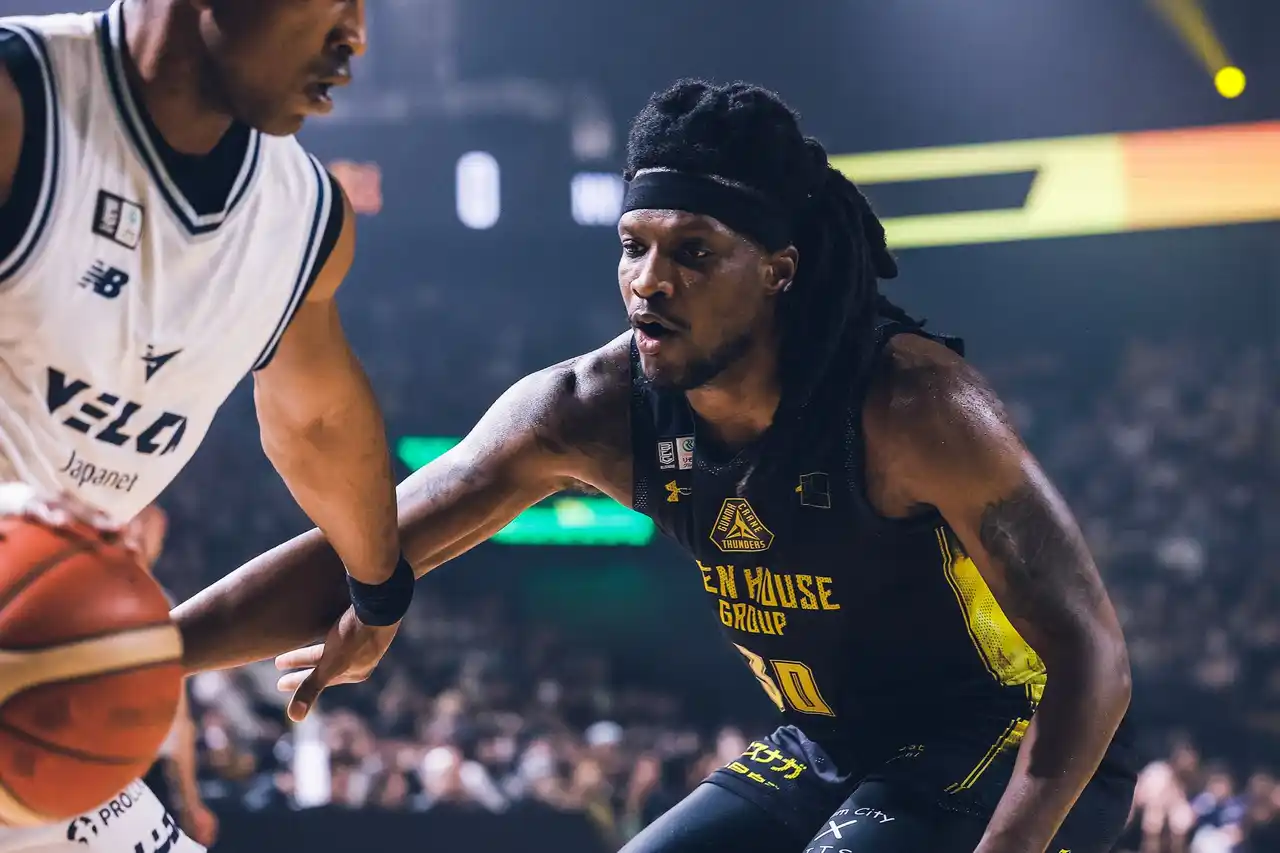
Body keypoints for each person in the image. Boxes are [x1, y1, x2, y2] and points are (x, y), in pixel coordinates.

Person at [176, 80, 1137, 853]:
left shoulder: (911, 405)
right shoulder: (590, 410)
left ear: (778, 269)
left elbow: (1091, 652)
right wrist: (143, 656)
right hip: (827, 742)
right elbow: (362, 546)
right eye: (633, 247)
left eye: (694, 252)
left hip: (1007, 734)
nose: (649, 281)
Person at [0, 0, 413, 850]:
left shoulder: (302, 216)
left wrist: (377, 593)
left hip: (37, 698)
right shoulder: (20, 103)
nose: (356, 36)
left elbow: (319, 421)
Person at [124, 506, 220, 849]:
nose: (139, 532)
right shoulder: (78, 591)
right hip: (103, 766)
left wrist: (190, 801)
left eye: (147, 523)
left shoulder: (164, 603)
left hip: (149, 772)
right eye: (134, 521)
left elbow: (179, 718)